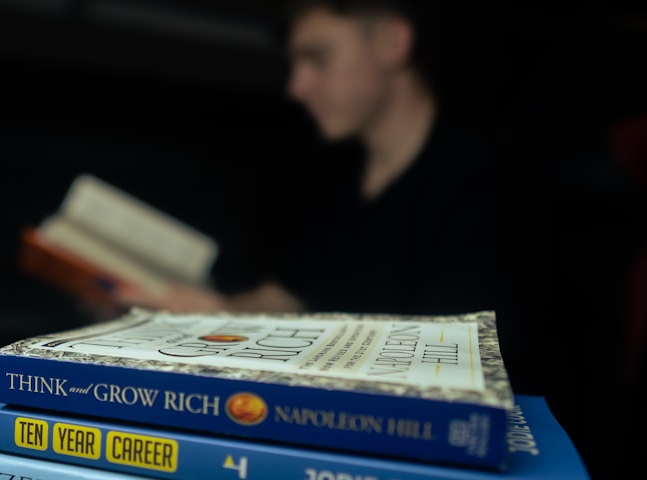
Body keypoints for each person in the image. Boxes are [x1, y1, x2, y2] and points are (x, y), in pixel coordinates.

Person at [108, 0, 514, 319]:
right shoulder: (333, 175)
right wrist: (194, 310)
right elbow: (288, 295)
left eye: (317, 58)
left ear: (393, 43)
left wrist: (222, 319)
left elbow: (454, 358)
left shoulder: (483, 184)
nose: (296, 87)